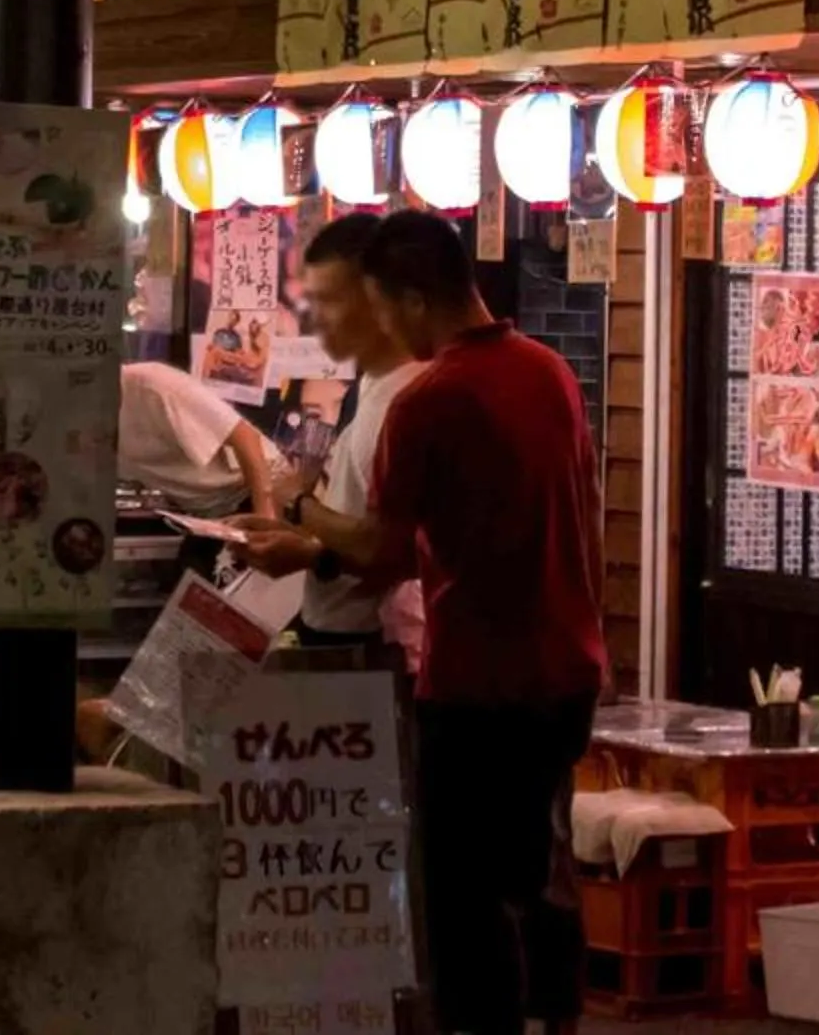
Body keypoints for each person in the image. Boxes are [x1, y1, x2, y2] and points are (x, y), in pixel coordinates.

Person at [231, 210, 607, 1035]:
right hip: (570, 668)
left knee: (464, 895)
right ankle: (560, 1021)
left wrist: (302, 506)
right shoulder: (549, 370)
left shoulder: (430, 398)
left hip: (478, 678)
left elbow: (378, 549)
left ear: (408, 297)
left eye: (375, 304)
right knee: (538, 868)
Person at [282, 213, 422, 655]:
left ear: (378, 298)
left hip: (388, 648)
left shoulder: (412, 401)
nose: (316, 319)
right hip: (345, 637)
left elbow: (390, 552)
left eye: (329, 301)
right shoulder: (373, 386)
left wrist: (298, 507)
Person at [118, 355, 286, 517]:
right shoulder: (96, 423)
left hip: (250, 488)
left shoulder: (153, 383)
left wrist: (266, 518)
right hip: (207, 509)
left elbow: (245, 436)